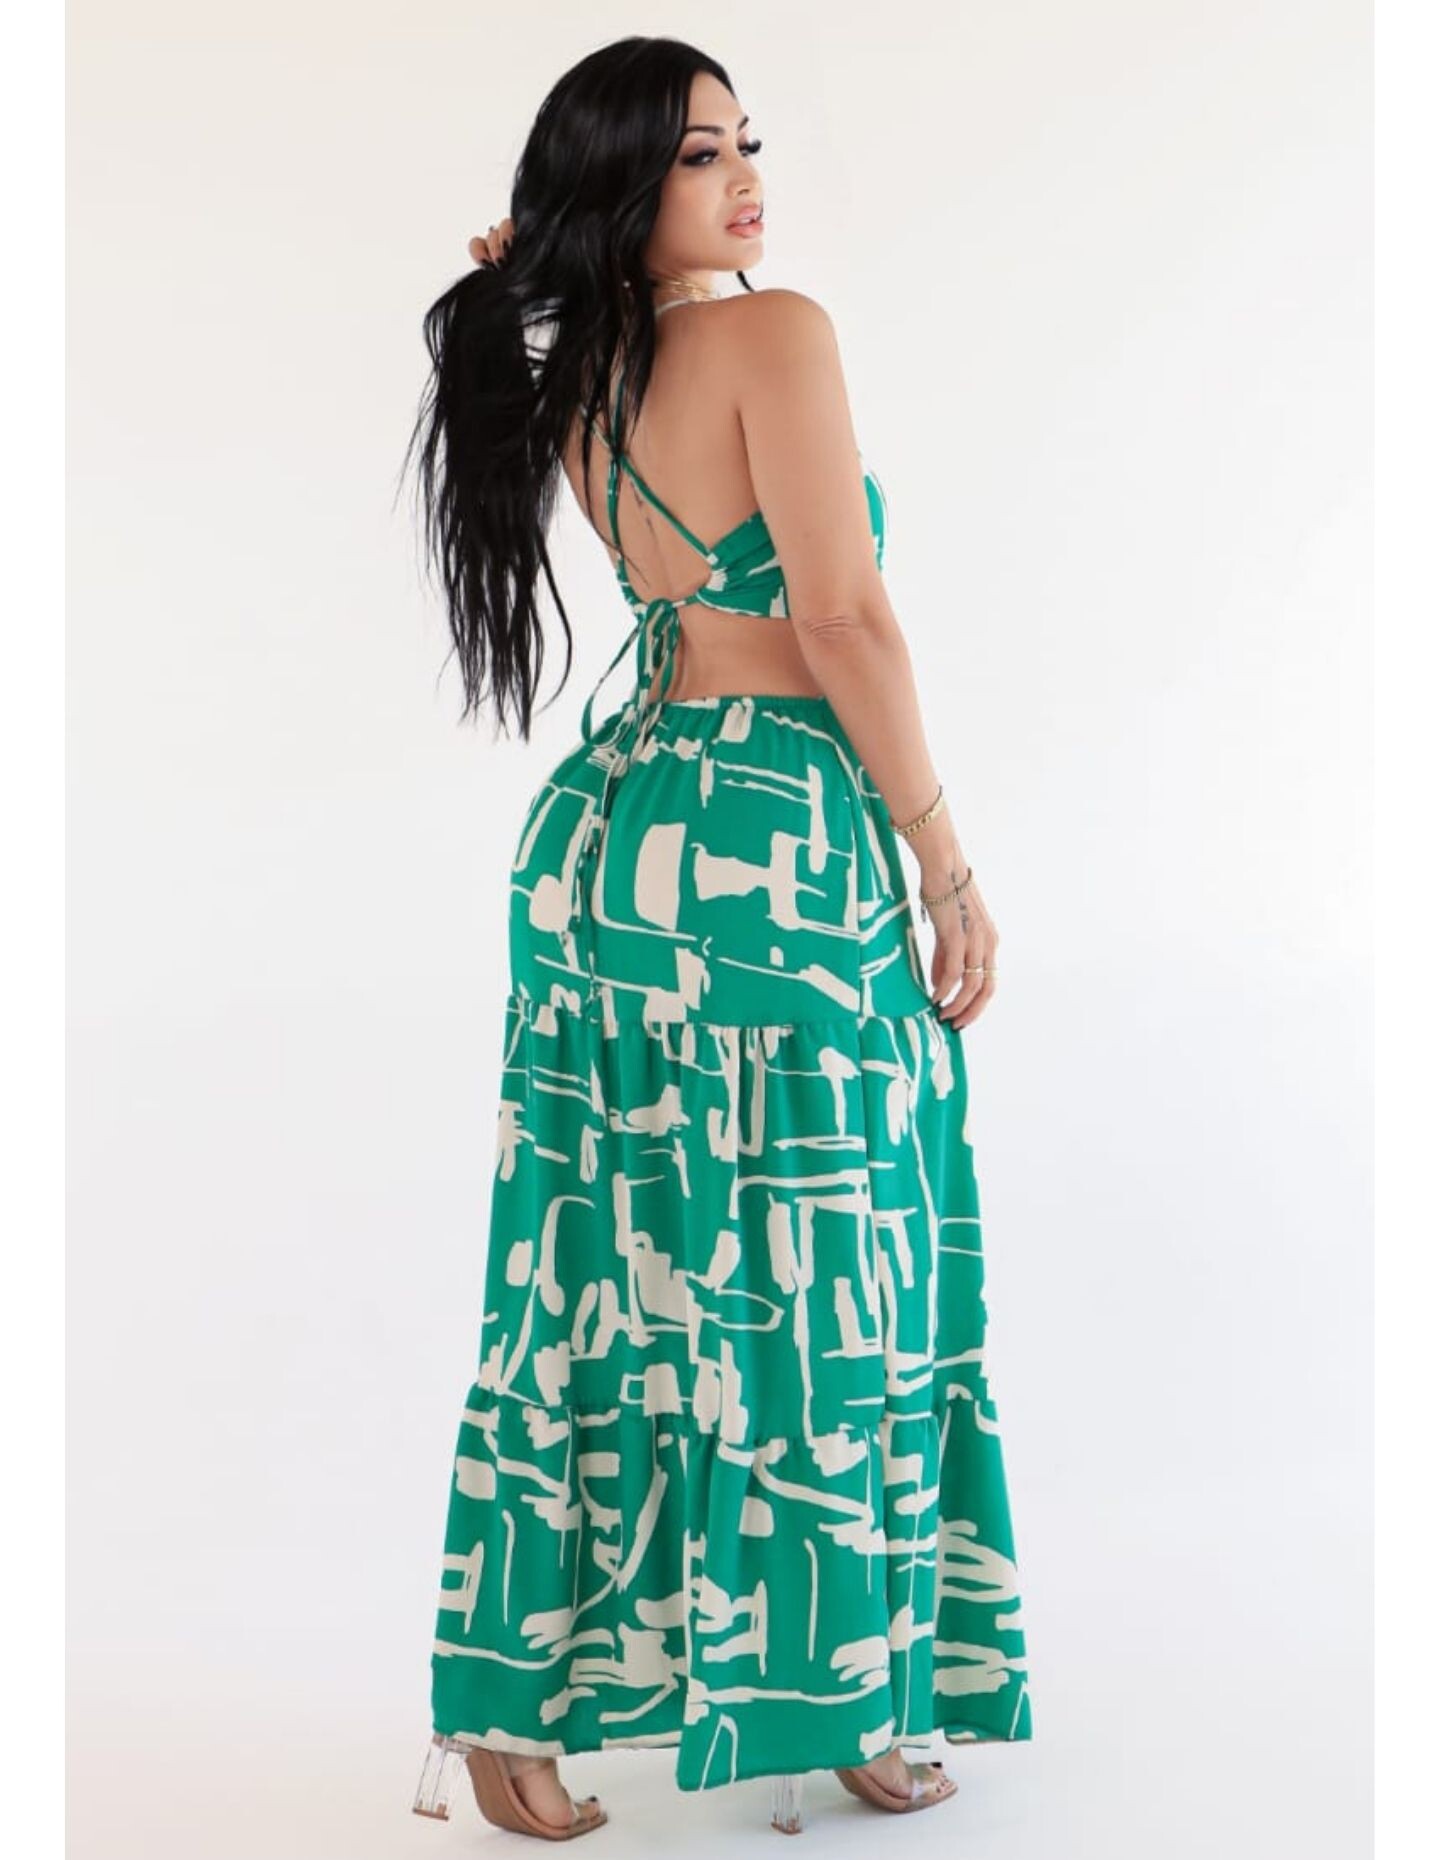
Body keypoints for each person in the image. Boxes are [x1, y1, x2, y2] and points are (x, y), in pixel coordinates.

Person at [404, 34, 1032, 1842]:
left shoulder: (588, 364)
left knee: (600, 1275)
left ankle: (512, 1719)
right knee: (832, 1258)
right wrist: (945, 859)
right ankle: (849, 1698)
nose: (747, 177)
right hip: (777, 844)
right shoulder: (776, 336)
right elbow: (840, 619)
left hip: (613, 840)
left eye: (746, 142)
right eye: (697, 154)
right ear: (624, 185)